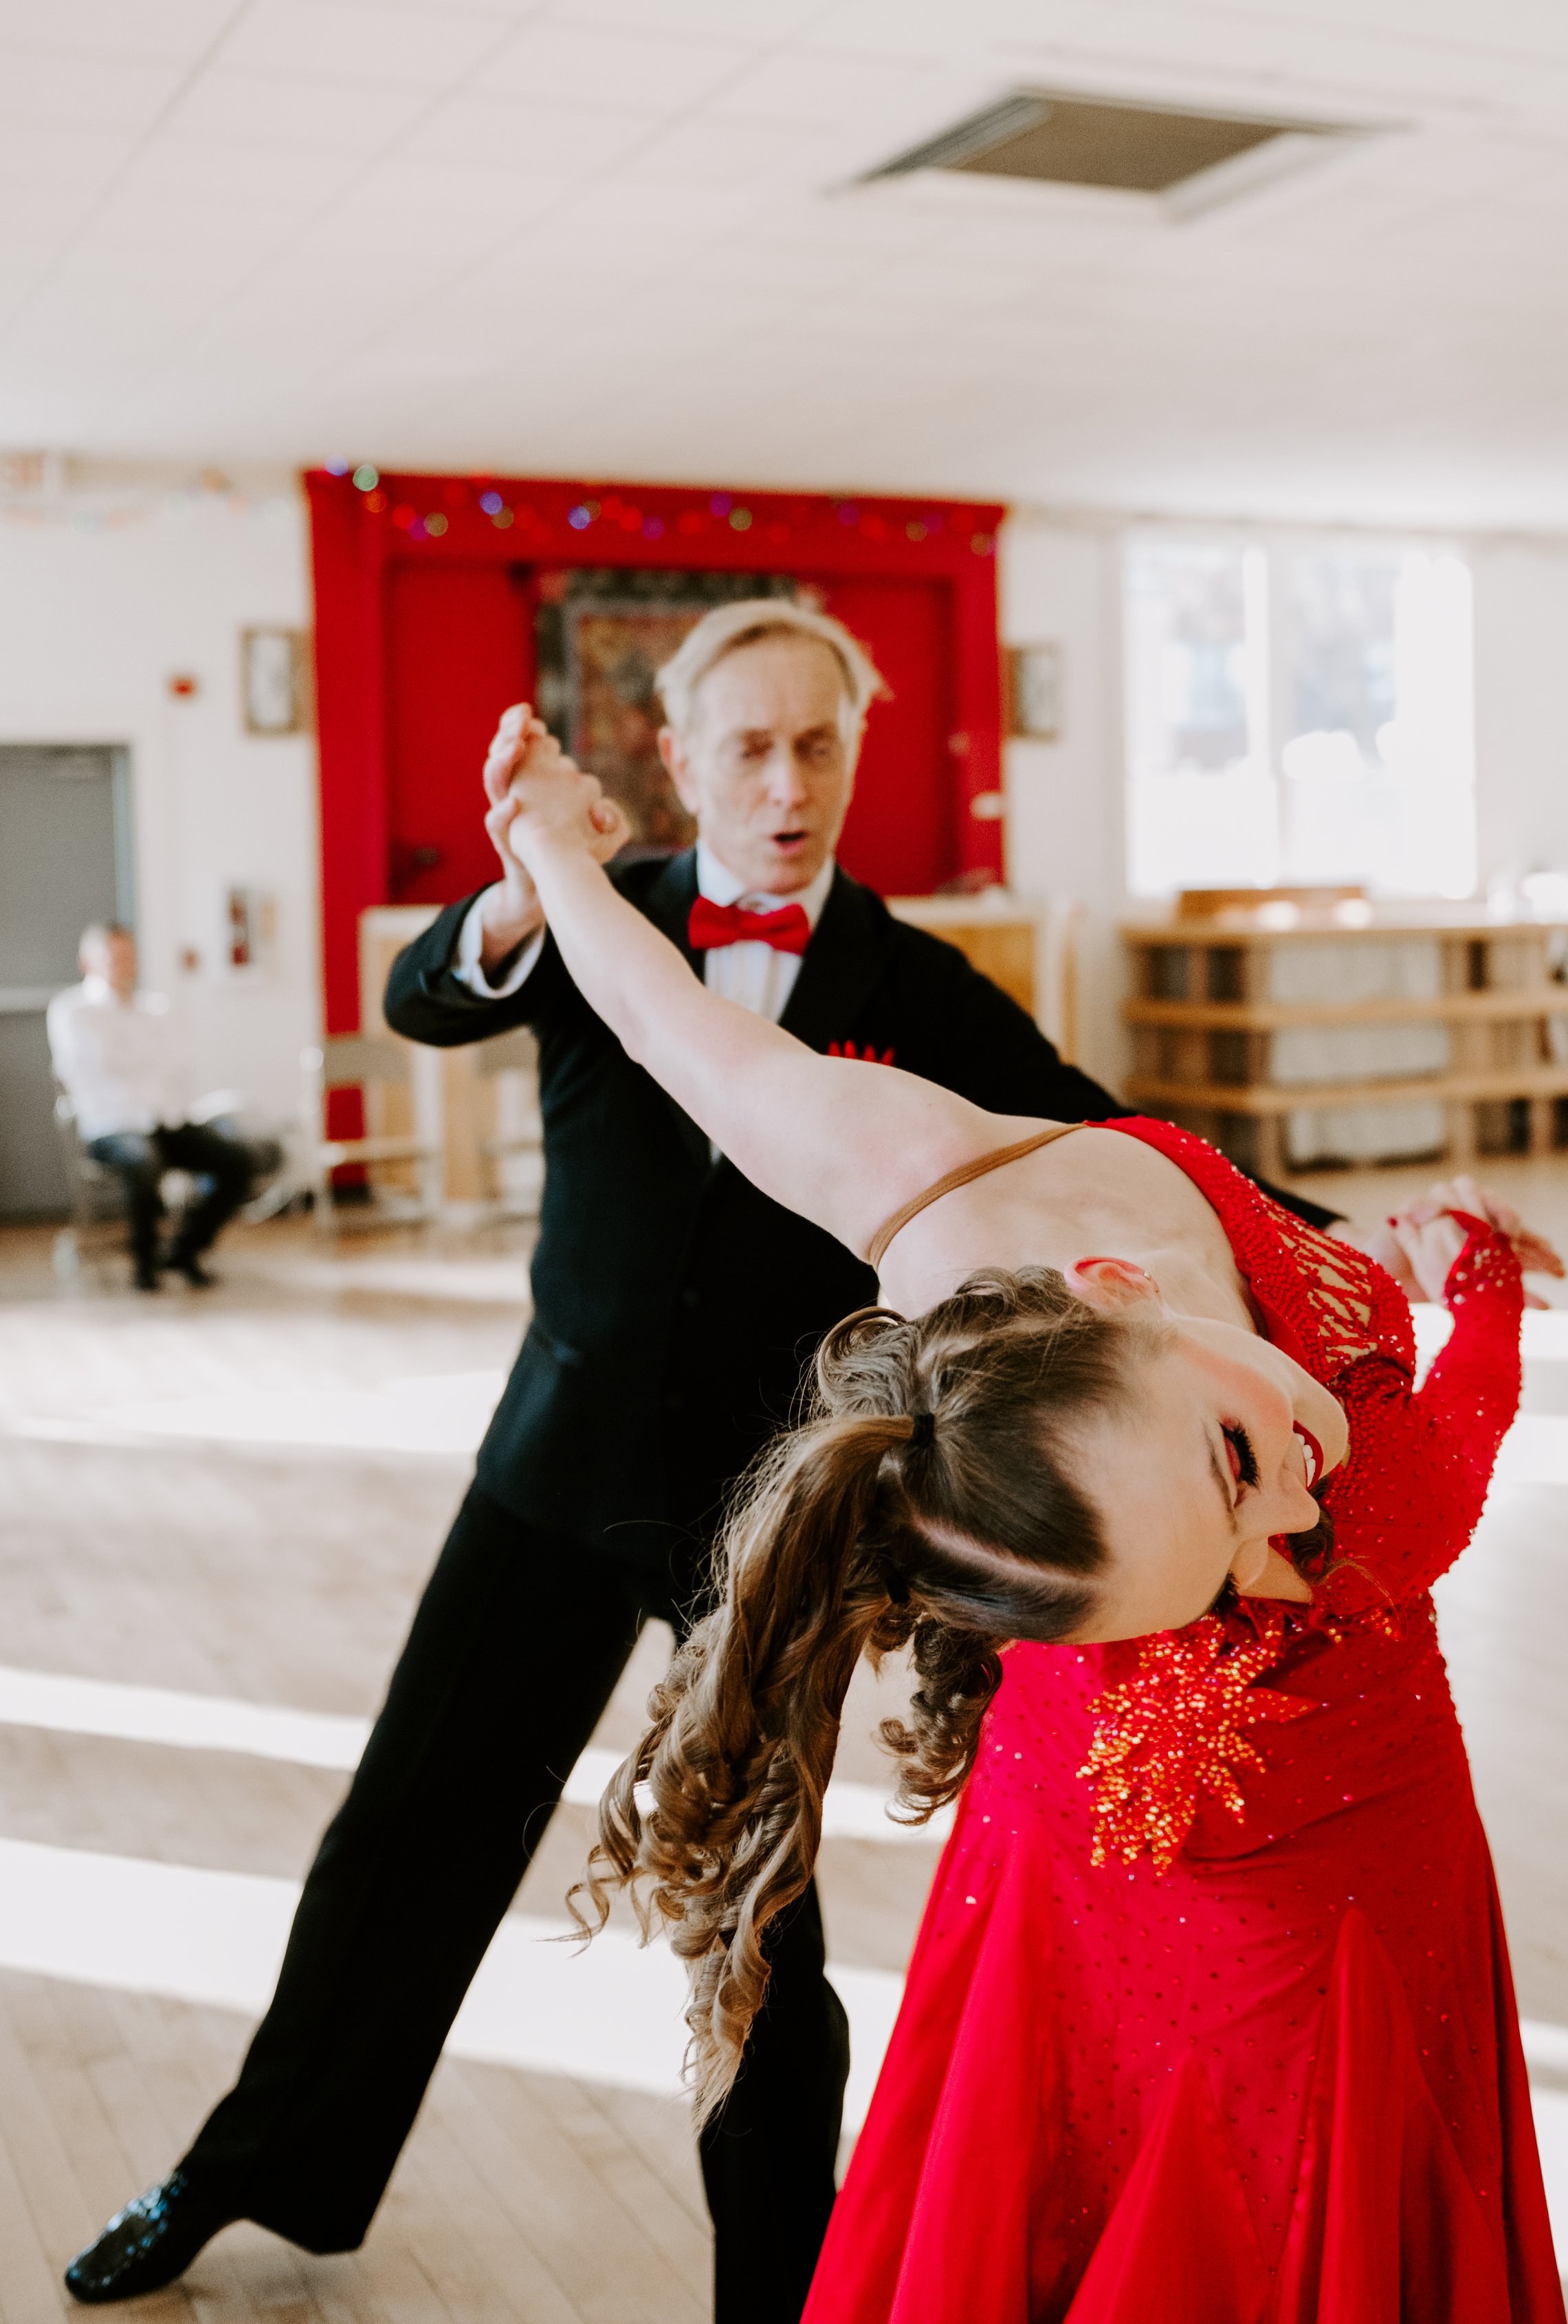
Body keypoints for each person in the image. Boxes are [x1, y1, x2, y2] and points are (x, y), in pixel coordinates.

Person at [65, 600, 1215, 2319]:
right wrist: (531, 877)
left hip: (765, 1518)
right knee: (404, 1840)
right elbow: (420, 993)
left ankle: (784, 2289)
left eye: (817, 741)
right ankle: (247, 2170)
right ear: (677, 759)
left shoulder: (912, 981)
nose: (786, 779)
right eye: (746, 744)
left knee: (756, 1914)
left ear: (854, 748)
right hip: (549, 1466)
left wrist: (1342, 1238)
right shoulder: (608, 919)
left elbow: (1106, 1137)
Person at [476, 732, 1565, 2322]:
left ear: (1122, 1294)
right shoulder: (1348, 1509)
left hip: (1294, 1829)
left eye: (1234, 1454)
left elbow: (674, 1024)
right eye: (1230, 1563)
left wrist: (555, 843)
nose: (1300, 1516)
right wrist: (1470, 1276)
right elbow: (1452, 1420)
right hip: (1170, 1858)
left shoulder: (943, 1185)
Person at [47, 924, 252, 1291]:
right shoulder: (73, 1010)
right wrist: (146, 1065)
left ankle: (184, 1249)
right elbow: (97, 1065)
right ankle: (144, 1264)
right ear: (88, 962)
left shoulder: (155, 1009)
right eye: (114, 957)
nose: (123, 965)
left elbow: (179, 1067)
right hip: (110, 1125)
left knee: (240, 1160)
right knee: (143, 1160)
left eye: (129, 956)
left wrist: (145, 1069)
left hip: (165, 1120)